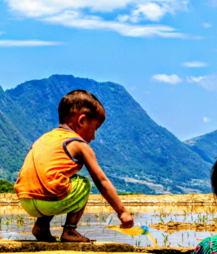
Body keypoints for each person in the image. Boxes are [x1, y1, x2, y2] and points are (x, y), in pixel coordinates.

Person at [14, 89, 134, 242]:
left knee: (54, 178)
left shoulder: (44, 139)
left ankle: (41, 226)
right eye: (95, 128)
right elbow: (101, 181)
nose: (94, 136)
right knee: (83, 183)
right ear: (82, 120)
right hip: (49, 200)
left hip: (25, 199)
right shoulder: (79, 144)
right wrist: (122, 212)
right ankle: (69, 231)